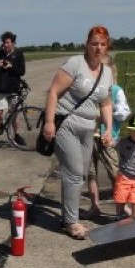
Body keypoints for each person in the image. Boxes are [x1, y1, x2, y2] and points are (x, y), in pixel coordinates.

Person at [42, 25, 114, 239]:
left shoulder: (107, 72)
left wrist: (108, 128)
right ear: (87, 44)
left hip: (88, 128)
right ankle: (71, 222)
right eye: (94, 44)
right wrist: (49, 122)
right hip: (67, 124)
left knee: (79, 174)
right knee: (73, 173)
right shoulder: (75, 64)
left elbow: (106, 103)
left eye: (102, 44)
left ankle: (67, 215)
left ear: (107, 46)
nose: (98, 48)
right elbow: (54, 92)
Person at [82, 57, 131, 219]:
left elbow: (124, 114)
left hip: (107, 137)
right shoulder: (88, 87)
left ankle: (121, 208)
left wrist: (108, 113)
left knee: (115, 173)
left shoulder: (116, 90)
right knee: (90, 173)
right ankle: (94, 205)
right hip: (88, 136)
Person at [0, 31, 26, 149]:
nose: (5, 45)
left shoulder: (19, 54)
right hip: (1, 87)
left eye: (7, 43)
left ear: (13, 43)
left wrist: (11, 66)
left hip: (13, 88)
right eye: (4, 43)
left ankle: (17, 135)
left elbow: (22, 71)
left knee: (15, 113)